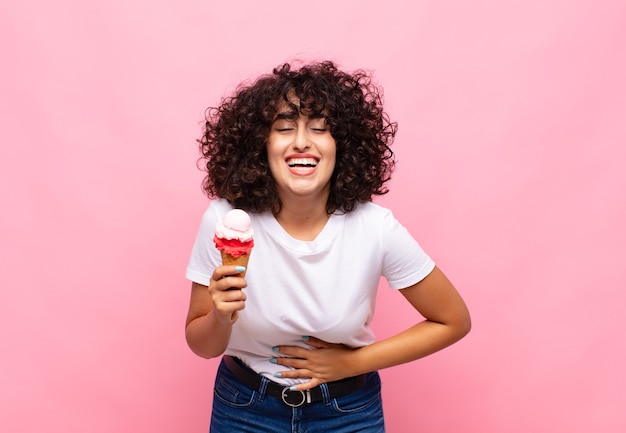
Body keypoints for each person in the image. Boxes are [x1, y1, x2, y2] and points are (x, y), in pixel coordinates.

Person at [184, 60, 471, 432]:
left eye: (320, 129)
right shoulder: (225, 220)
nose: (301, 141)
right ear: (261, 145)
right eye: (284, 128)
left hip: (348, 411)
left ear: (342, 147)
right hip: (245, 407)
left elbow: (453, 321)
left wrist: (351, 363)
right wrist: (221, 316)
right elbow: (202, 346)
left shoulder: (375, 228)